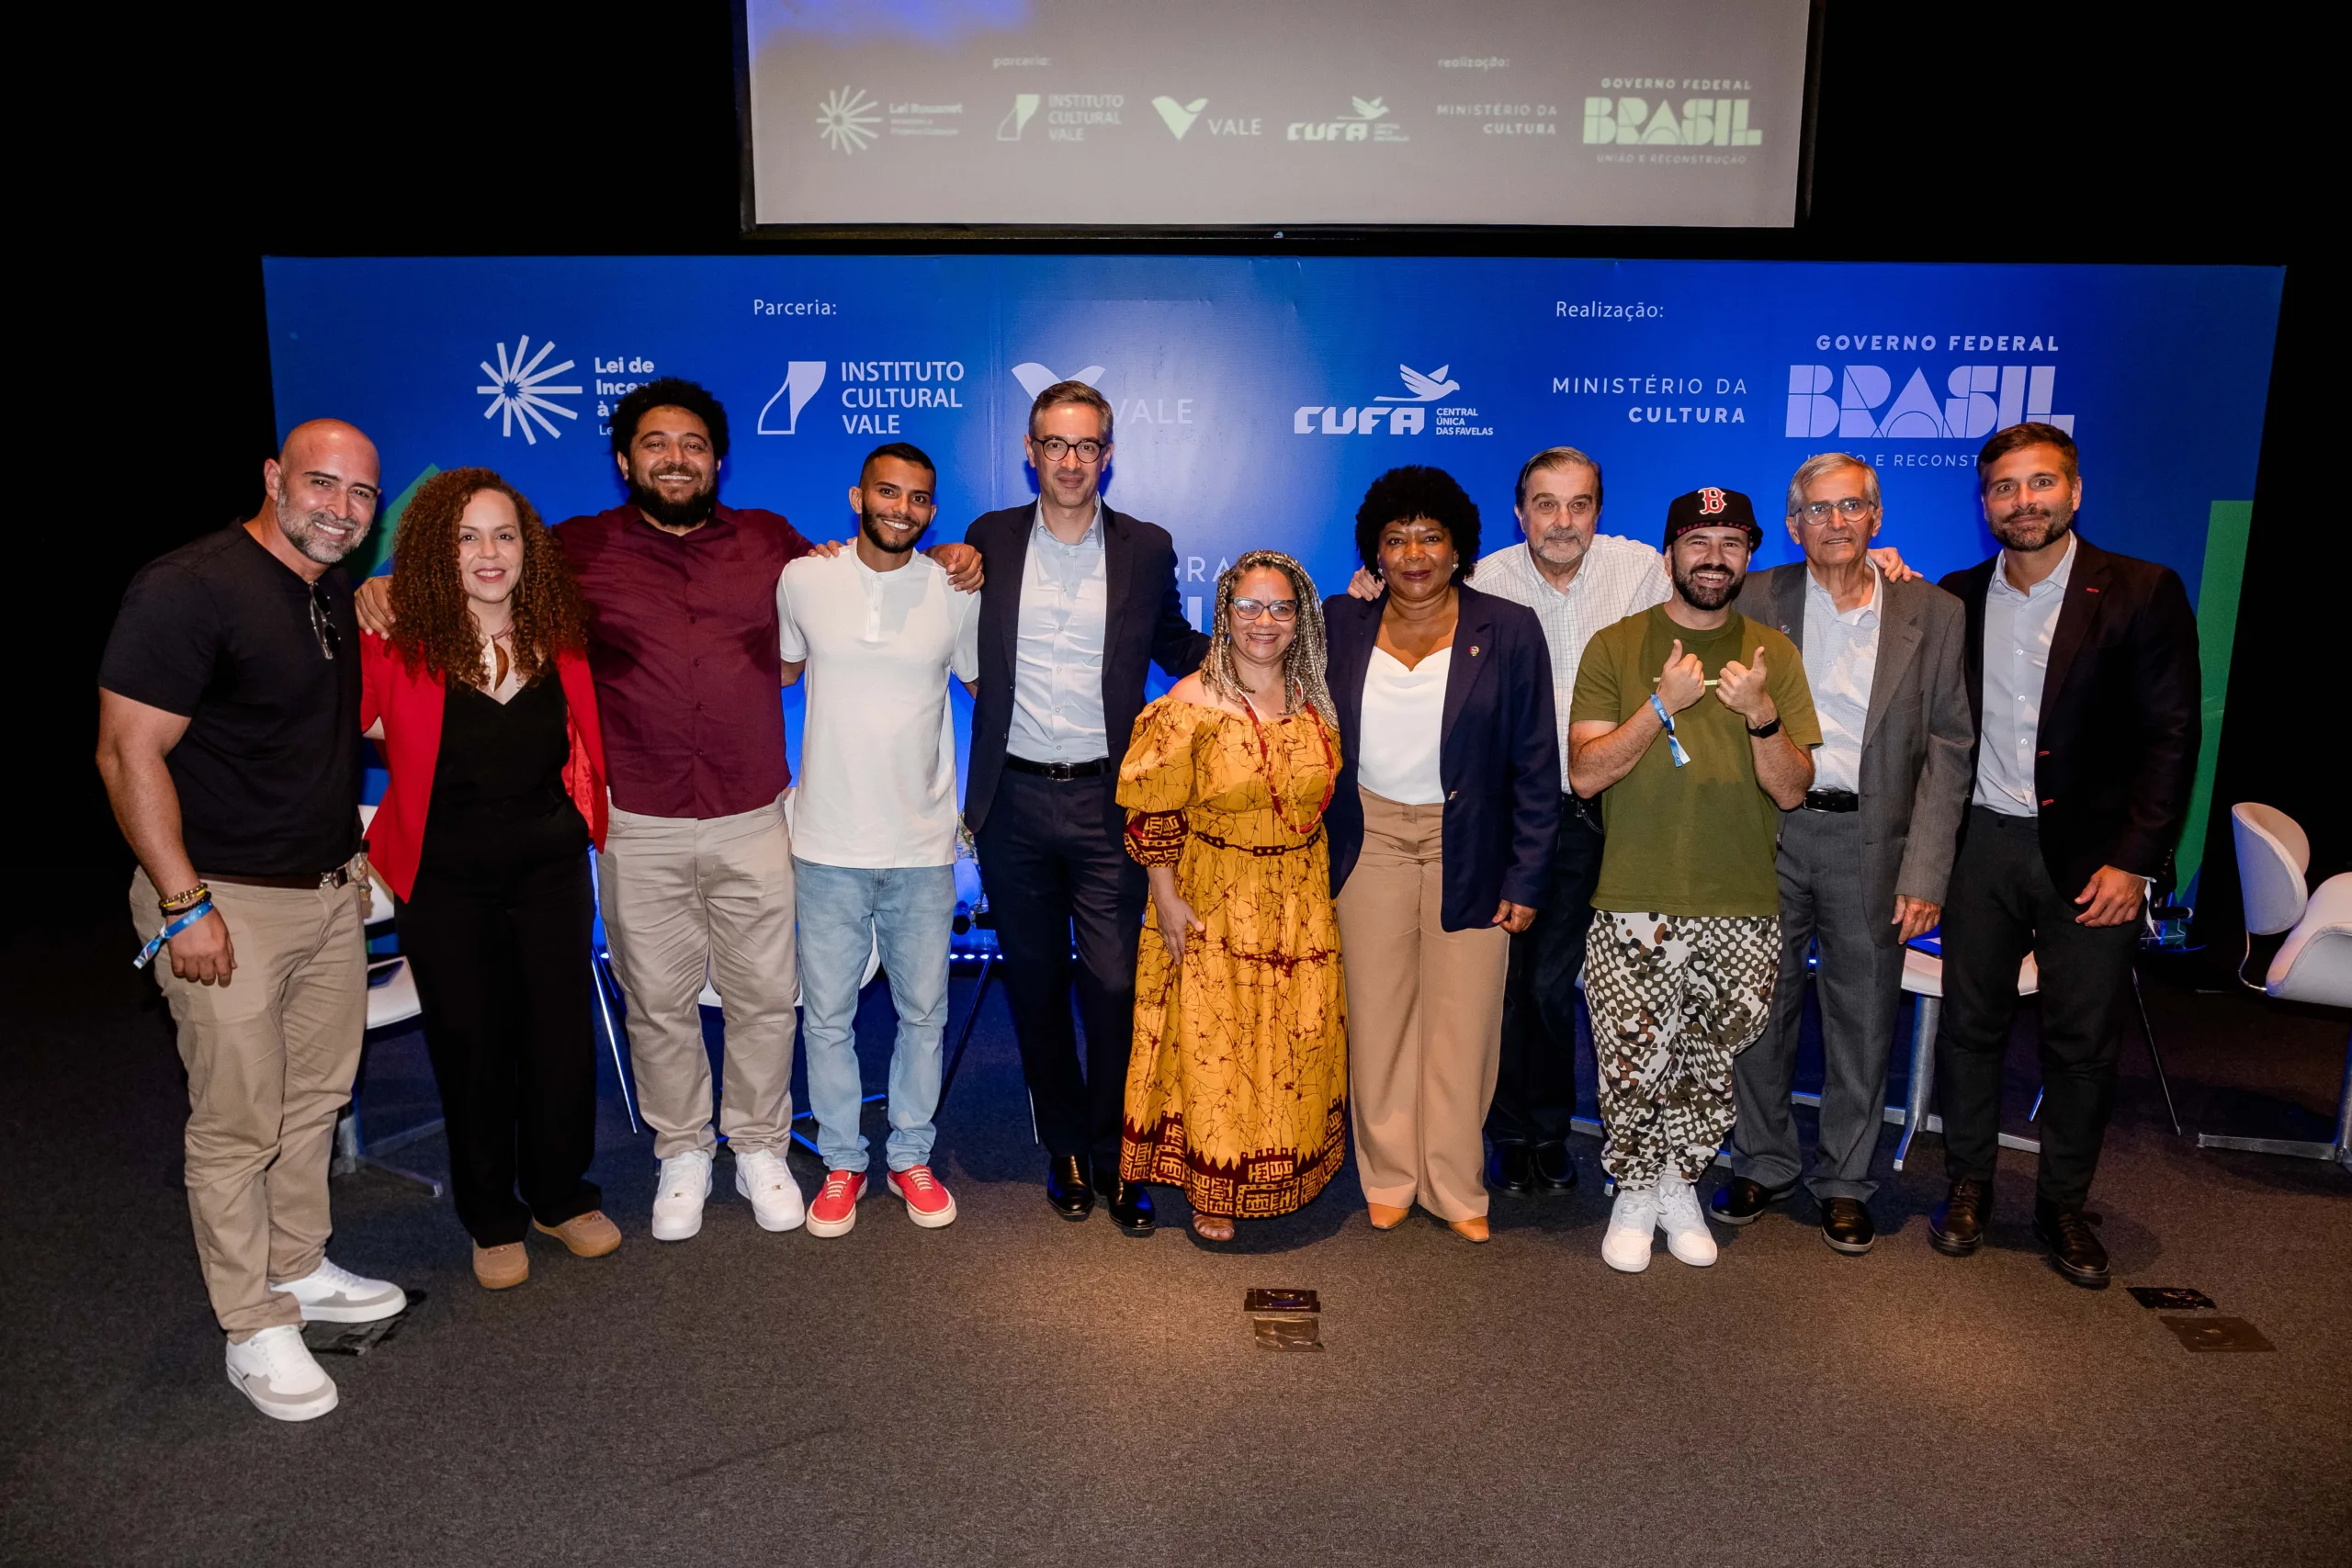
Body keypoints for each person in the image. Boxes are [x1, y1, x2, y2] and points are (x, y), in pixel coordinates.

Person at [355, 378, 980, 1242]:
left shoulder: (775, 547)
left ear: (719, 459)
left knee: (767, 996)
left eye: (693, 444)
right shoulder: (571, 549)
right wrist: (381, 584)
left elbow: (871, 570)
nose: (675, 458)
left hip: (753, 813)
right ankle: (682, 1149)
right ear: (624, 460)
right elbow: (473, 565)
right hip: (636, 817)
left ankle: (759, 1143)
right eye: (656, 443)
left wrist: (952, 559)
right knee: (657, 997)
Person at [96, 419, 406, 1422]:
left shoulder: (326, 593)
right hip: (221, 898)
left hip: (324, 894)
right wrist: (184, 904)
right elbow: (125, 754)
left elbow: (316, 735)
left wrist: (349, 861)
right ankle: (253, 1324)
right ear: (275, 479)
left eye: (361, 496)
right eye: (322, 485)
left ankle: (300, 1268)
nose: (341, 510)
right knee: (236, 1124)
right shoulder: (188, 587)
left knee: (314, 1100)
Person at [1928, 423, 2199, 1288]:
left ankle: (2061, 1205)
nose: (2023, 502)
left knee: (2080, 1042)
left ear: (2074, 492)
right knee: (1969, 1030)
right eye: (2005, 489)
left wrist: (2138, 860)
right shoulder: (1956, 596)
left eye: (2040, 484)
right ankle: (1967, 1183)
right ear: (1984, 504)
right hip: (1980, 847)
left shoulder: (2142, 591)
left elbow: (2170, 737)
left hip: (2093, 861)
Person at [360, 468, 621, 1290]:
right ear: (439, 549)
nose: (487, 551)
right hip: (445, 878)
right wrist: (368, 591)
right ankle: (492, 1215)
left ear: (527, 546)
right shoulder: (394, 637)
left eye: (503, 534)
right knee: (471, 1045)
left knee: (558, 1036)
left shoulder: (560, 632)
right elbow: (343, 714)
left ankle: (559, 1195)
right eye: (467, 535)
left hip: (549, 869)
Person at [964, 380, 1209, 1234]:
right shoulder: (987, 539)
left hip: (1112, 801)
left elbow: (1175, 644)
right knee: (1034, 985)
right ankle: (1064, 1146)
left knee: (1112, 985)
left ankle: (1116, 1153)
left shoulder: (1147, 546)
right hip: (1014, 802)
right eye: (1055, 445)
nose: (1071, 462)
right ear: (1029, 451)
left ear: (1109, 454)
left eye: (1087, 446)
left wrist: (1276, 638)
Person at [1713, 455, 1973, 1254]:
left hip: (1876, 841)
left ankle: (1845, 1179)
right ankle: (1764, 1156)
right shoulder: (1755, 597)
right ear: (1793, 527)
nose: (1835, 522)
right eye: (1818, 510)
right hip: (1769, 832)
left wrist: (1927, 872)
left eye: (1851, 506)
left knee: (1862, 1017)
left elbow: (1950, 747)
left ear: (1877, 518)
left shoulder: (1933, 609)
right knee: (1760, 1006)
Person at [1567, 487, 1820, 1274]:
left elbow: (1791, 789)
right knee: (1634, 1055)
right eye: (1699, 541)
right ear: (1671, 551)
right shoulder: (1616, 645)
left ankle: (1681, 1179)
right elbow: (1584, 773)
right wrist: (1658, 705)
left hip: (1740, 900)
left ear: (1749, 553)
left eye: (1732, 543)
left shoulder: (1775, 653)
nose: (1715, 557)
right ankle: (1637, 1187)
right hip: (1635, 895)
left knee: (1710, 1056)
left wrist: (1761, 716)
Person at [1325, 467, 1559, 1243]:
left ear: (1460, 547)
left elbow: (1535, 762)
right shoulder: (1341, 622)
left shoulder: (1510, 627)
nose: (1414, 553)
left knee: (1465, 1025)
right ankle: (1389, 1175)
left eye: (1430, 536)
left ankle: (1457, 1184)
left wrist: (1528, 874)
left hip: (1474, 843)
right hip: (1371, 839)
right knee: (1381, 1017)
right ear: (1374, 554)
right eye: (1396, 539)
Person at [777, 443, 979, 1237]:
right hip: (824, 840)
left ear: (933, 509)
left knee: (923, 1012)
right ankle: (841, 1161)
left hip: (924, 846)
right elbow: (786, 672)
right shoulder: (804, 579)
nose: (903, 508)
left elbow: (982, 685)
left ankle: (910, 1155)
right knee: (825, 1016)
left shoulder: (954, 590)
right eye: (888, 493)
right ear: (857, 496)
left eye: (920, 498)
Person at [1119, 551, 1349, 1242]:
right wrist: (1164, 896)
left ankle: (1291, 1167)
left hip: (1300, 902)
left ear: (1299, 618)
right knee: (1220, 1046)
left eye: (1281, 607)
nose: (1264, 621)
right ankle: (1213, 1187)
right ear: (1223, 614)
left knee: (1290, 1040)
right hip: (1214, 897)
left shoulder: (1316, 699)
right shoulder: (1188, 703)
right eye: (1249, 606)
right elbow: (1153, 808)